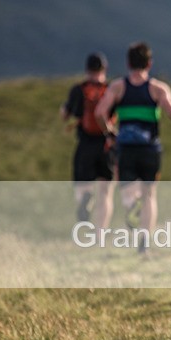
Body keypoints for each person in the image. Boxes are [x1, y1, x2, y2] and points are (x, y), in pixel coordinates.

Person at [95, 42, 171, 252]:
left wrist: (109, 131)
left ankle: (132, 204)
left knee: (127, 190)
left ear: (128, 63)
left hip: (126, 148)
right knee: (150, 195)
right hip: (150, 149)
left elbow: (99, 113)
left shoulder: (118, 87)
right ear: (149, 63)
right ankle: (145, 241)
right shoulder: (157, 88)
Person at [60, 52, 116, 229]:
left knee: (82, 185)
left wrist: (65, 108)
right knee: (106, 193)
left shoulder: (78, 90)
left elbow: (65, 115)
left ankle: (85, 198)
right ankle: (100, 234)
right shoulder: (111, 90)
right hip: (107, 145)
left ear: (87, 69)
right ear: (105, 68)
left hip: (85, 144)